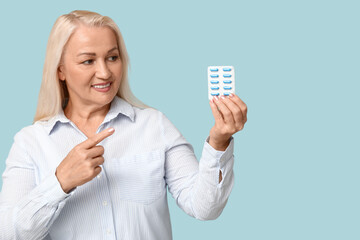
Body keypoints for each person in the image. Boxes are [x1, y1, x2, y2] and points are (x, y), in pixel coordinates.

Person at [0, 10, 247, 240]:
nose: (105, 72)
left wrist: (219, 141)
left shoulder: (154, 125)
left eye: (112, 57)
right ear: (61, 70)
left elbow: (205, 207)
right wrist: (60, 183)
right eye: (88, 61)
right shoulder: (30, 143)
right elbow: (9, 233)